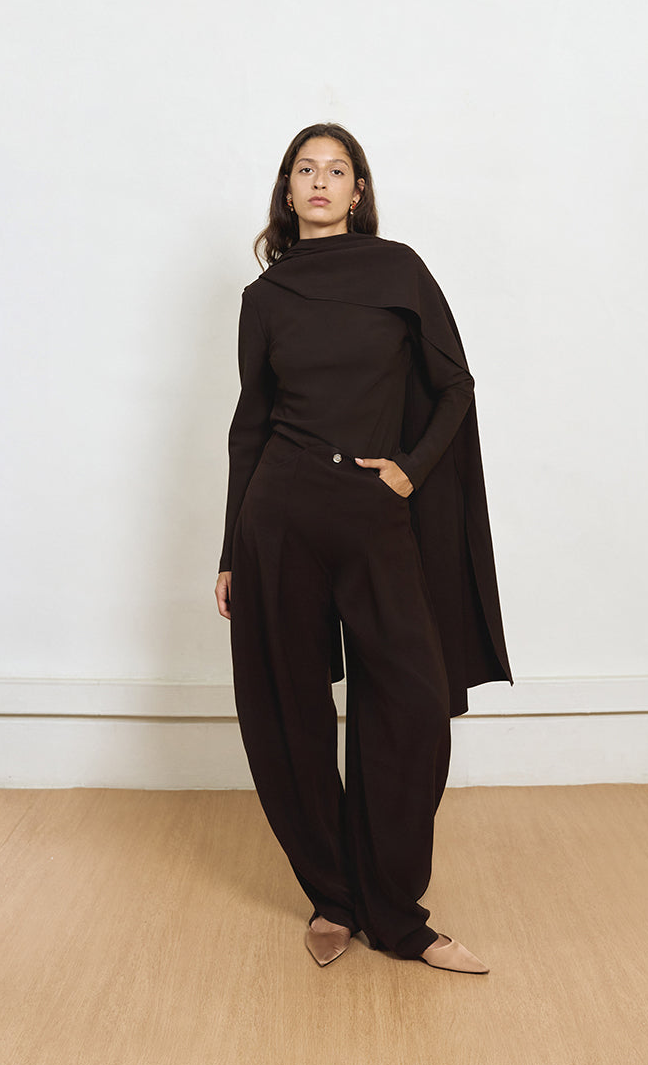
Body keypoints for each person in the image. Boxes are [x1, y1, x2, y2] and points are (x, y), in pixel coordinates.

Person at [215, 123, 512, 973]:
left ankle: (396, 912)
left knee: (413, 700)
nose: (319, 181)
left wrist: (410, 471)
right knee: (290, 709)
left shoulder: (399, 271)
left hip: (375, 513)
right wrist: (231, 550)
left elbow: (454, 384)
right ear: (287, 191)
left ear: (358, 191)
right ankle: (334, 897)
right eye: (304, 169)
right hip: (281, 514)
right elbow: (250, 425)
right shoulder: (265, 299)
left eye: (336, 170)